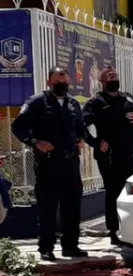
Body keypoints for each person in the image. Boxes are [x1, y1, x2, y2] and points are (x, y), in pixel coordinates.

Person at [11, 67, 88, 261]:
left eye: (64, 80)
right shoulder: (37, 102)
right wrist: (36, 142)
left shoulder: (73, 104)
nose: (62, 84)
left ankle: (71, 246)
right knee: (48, 208)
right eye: (57, 81)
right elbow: (18, 126)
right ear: (49, 82)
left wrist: (81, 139)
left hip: (71, 163)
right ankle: (46, 247)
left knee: (72, 206)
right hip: (49, 164)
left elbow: (80, 128)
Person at [83, 66, 133, 246]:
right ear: (102, 82)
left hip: (130, 155)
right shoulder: (96, 102)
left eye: (115, 75)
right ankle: (113, 231)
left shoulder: (128, 97)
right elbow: (80, 125)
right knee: (113, 193)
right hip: (110, 157)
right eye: (110, 76)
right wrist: (95, 142)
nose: (114, 78)